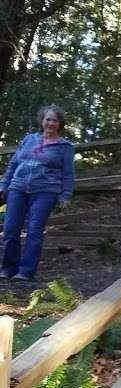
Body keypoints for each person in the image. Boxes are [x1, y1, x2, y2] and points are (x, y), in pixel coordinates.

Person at [0, 106, 75, 281]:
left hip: (45, 191)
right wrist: (4, 184)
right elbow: (13, 164)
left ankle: (25, 271)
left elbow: (68, 173)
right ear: (42, 121)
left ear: (60, 124)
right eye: (48, 119)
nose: (50, 123)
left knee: (34, 231)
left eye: (55, 120)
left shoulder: (65, 147)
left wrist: (65, 195)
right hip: (17, 188)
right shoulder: (29, 139)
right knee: (11, 230)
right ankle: (8, 268)